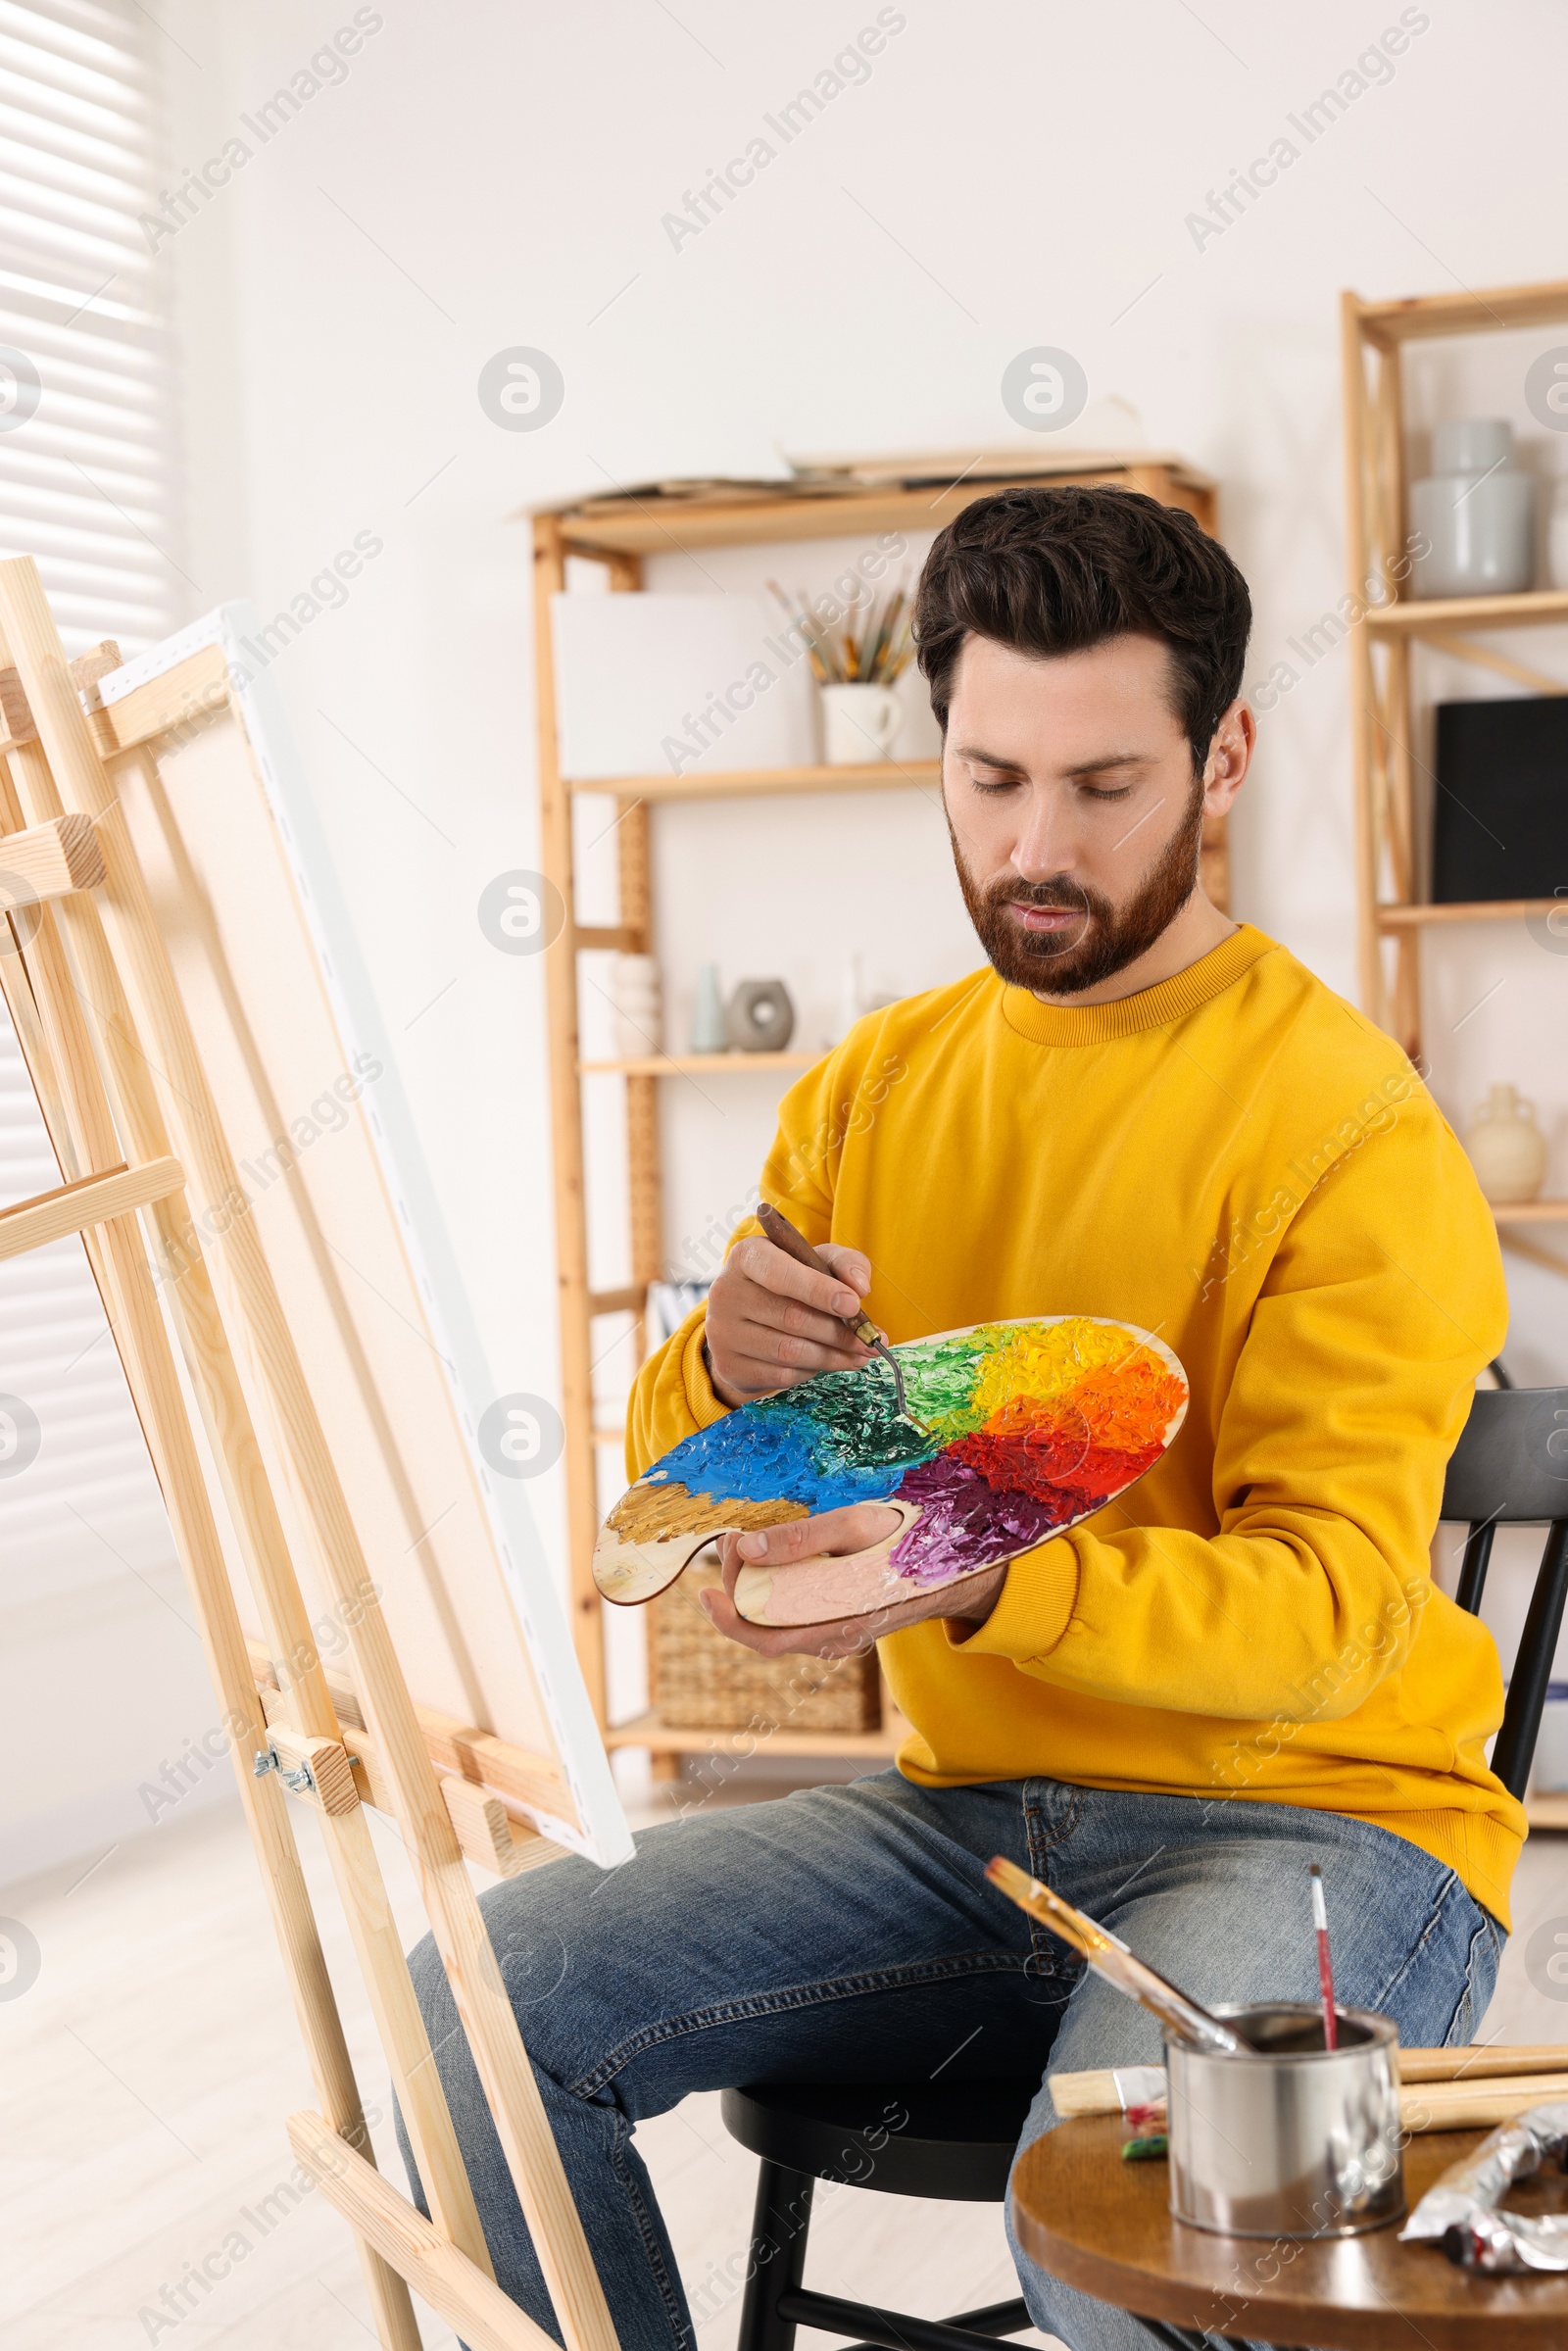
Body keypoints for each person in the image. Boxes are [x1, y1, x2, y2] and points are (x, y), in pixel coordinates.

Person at [401, 485, 1516, 2350]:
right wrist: (721, 1365)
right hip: (974, 1826)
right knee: (476, 2009)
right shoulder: (874, 1087)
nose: (1035, 847)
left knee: (1120, 2248)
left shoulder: (1349, 1130)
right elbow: (704, 1493)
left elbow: (1331, 1618)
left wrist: (989, 1588)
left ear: (1225, 754)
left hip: (1311, 1827)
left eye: (1102, 786)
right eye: (991, 778)